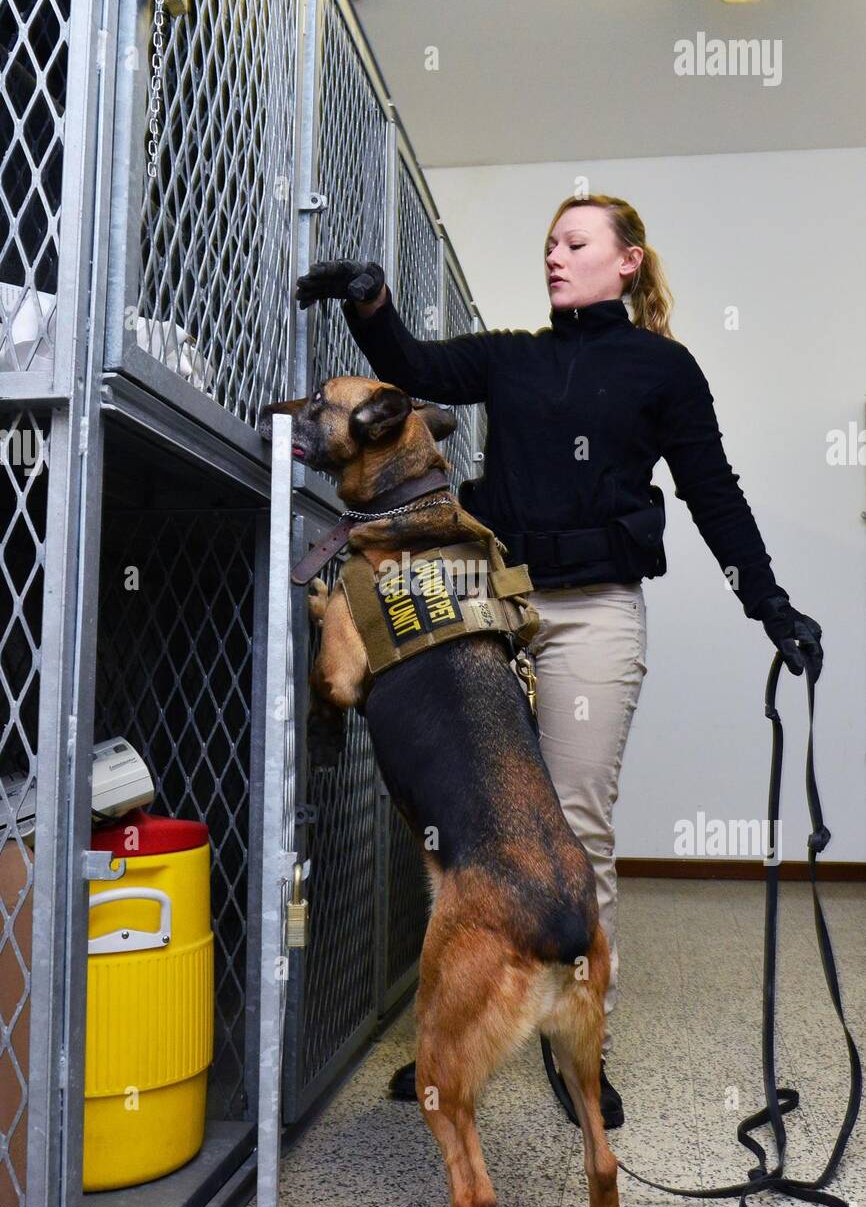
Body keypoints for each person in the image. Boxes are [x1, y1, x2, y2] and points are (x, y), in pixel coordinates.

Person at [294, 192, 823, 1129]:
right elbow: (413, 368)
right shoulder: (513, 356)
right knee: (461, 828)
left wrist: (769, 605)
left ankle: (579, 1042)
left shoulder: (662, 368)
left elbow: (712, 492)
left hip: (592, 618)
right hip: (495, 608)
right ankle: (452, 1038)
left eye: (575, 243)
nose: (555, 256)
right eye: (548, 243)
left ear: (627, 262)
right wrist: (370, 302)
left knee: (570, 828)